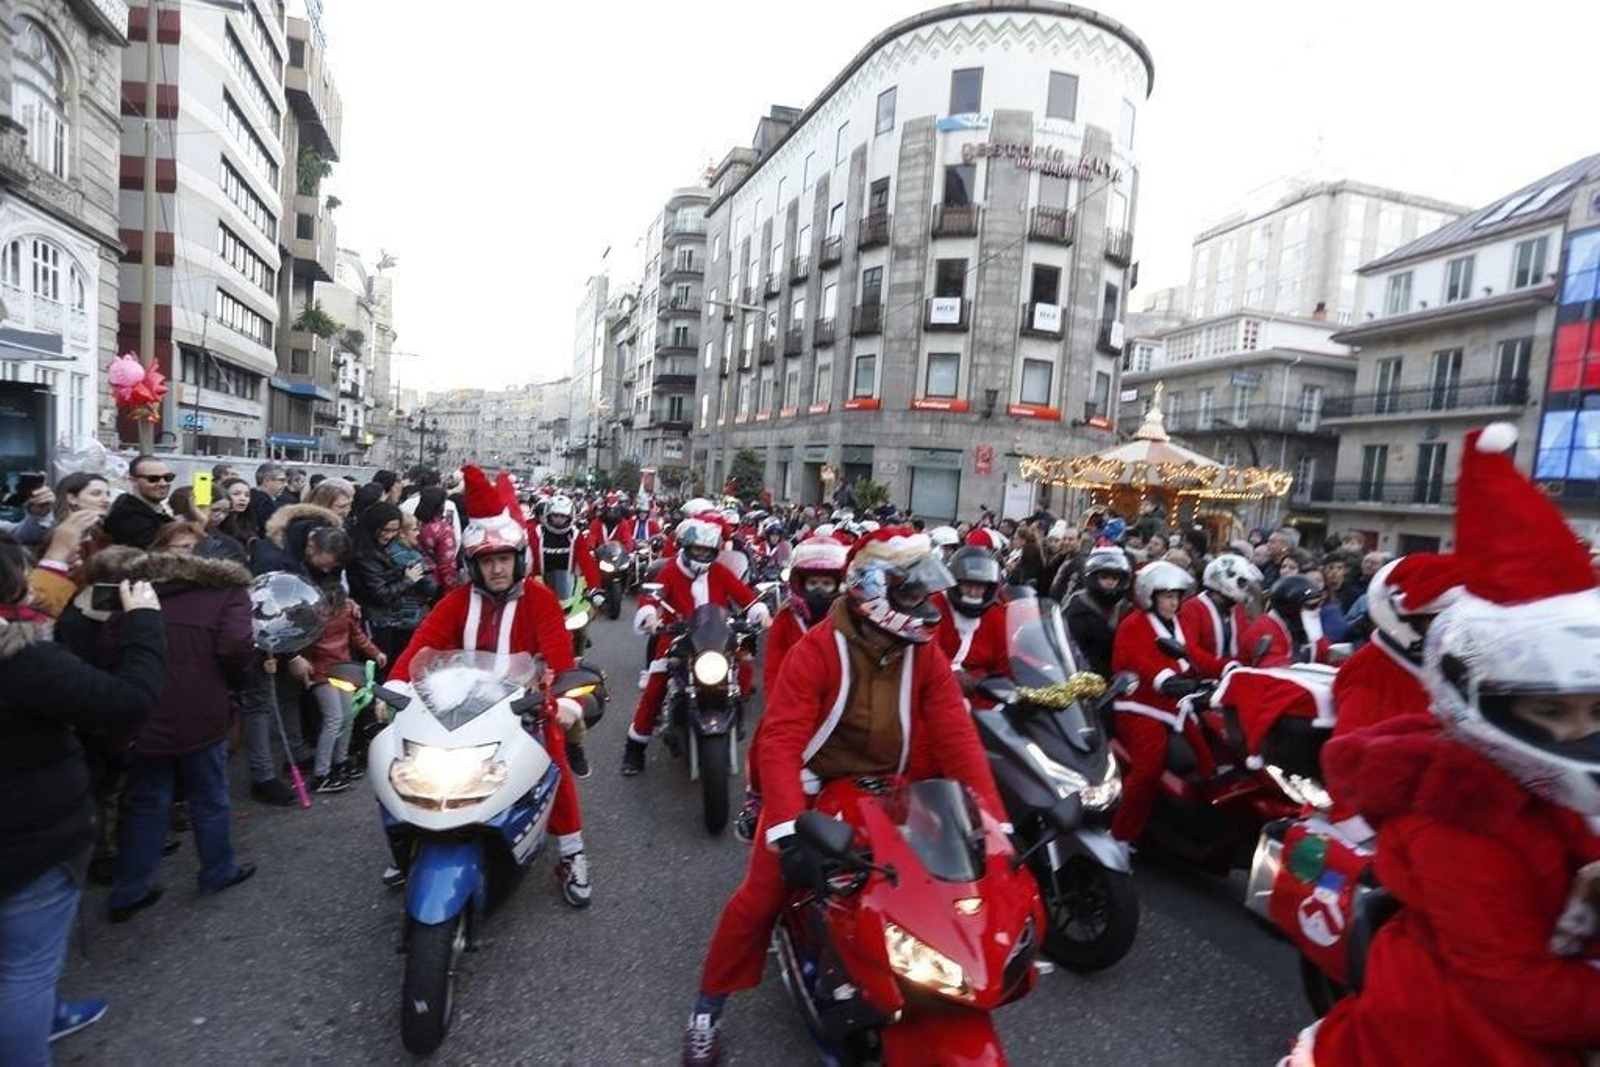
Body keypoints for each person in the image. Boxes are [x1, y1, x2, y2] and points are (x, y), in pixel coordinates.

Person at [1292, 423, 1600, 1064]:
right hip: (1453, 1036)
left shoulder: (1542, 775)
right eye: (1549, 710)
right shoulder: (1455, 810)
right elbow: (1520, 988)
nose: (1576, 731)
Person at [682, 529, 1005, 1065]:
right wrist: (786, 827)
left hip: (896, 786)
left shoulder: (923, 653)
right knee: (759, 898)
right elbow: (782, 738)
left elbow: (955, 733)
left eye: (925, 594)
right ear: (872, 588)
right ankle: (706, 1009)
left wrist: (994, 822)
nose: (925, 607)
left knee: (934, 888)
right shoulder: (816, 649)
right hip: (813, 786)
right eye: (911, 595)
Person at [386, 467, 592, 906]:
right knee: (402, 759)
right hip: (457, 704)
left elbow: (559, 656)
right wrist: (397, 687)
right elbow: (422, 644)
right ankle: (409, 839)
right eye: (486, 560)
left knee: (551, 764)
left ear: (518, 559)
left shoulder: (540, 601)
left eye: (503, 559)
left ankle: (572, 851)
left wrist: (561, 699)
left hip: (524, 706)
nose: (496, 569)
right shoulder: (456, 600)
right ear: (472, 564)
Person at [0, 535, 165, 1061]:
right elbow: (126, 699)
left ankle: (41, 1012)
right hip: (29, 838)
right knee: (24, 968)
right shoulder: (21, 658)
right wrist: (142, 621)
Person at [77, 550, 258, 922]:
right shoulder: (228, 592)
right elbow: (236, 647)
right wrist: (233, 684)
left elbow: (108, 650)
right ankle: (217, 870)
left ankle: (129, 889)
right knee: (209, 796)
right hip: (201, 707)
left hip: (144, 710)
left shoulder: (136, 592)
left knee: (147, 801)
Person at [623, 516, 768, 775]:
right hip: (677, 639)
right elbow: (651, 597)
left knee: (741, 671)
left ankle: (734, 720)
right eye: (697, 549)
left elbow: (745, 596)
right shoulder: (670, 570)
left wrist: (758, 612)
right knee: (655, 686)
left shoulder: (720, 572)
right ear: (686, 548)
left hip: (717, 637)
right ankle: (635, 749)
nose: (702, 554)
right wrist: (650, 616)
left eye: (707, 550)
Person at [732, 533, 848, 844]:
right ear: (800, 583)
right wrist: (777, 705)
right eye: (813, 584)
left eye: (827, 584)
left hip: (840, 702)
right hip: (793, 701)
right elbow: (773, 667)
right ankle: (755, 799)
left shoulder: (850, 622)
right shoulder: (786, 619)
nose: (820, 591)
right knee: (763, 742)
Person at [1109, 560, 1231, 844]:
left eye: (1177, 596)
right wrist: (1166, 680)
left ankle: (1193, 830)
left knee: (1209, 764)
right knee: (1148, 769)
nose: (1174, 602)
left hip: (1174, 705)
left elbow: (1193, 656)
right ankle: (1120, 838)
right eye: (1167, 596)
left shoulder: (1177, 624)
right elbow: (1138, 661)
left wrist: (1227, 668)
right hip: (1138, 705)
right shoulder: (1134, 624)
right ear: (1150, 595)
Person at [242, 503, 349, 805]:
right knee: (260, 702)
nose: (327, 571)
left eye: (331, 567)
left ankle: (297, 750)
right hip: (261, 634)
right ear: (311, 544)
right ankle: (262, 776)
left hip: (296, 634)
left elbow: (324, 586)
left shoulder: (324, 546)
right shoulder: (272, 556)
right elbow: (264, 609)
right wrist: (290, 656)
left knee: (289, 694)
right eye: (323, 564)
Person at [1329, 554, 1463, 740]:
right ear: (1405, 619)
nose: (1457, 628)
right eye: (1440, 619)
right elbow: (1353, 757)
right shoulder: (1368, 674)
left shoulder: (1445, 663)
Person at [297, 562, 385, 793]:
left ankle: (340, 762)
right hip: (323, 674)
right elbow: (356, 637)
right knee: (336, 718)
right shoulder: (320, 618)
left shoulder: (339, 613)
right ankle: (322, 773)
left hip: (338, 671)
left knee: (346, 717)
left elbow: (357, 636)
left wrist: (376, 653)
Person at [346, 503, 428, 663]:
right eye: (385, 530)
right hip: (374, 621)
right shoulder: (364, 554)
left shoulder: (380, 548)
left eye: (394, 531)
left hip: (386, 619)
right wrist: (408, 580)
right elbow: (380, 594)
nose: (389, 535)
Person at [935, 545, 1011, 687]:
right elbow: (928, 655)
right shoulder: (936, 604)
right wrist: (954, 675)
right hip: (939, 683)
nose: (973, 591)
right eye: (968, 584)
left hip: (982, 691)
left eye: (980, 586)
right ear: (955, 582)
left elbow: (1006, 661)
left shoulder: (996, 613)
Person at [1180, 553, 1262, 661]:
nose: (1246, 589)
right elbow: (1190, 649)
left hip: (1232, 673)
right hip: (1203, 675)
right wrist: (1223, 667)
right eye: (1242, 583)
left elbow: (1247, 644)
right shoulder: (1193, 607)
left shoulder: (1238, 608)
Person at [1064, 547, 1132, 677]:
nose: (1110, 581)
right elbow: (1066, 643)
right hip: (1080, 676)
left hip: (1117, 679)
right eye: (1104, 576)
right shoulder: (1077, 604)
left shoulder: (1126, 609)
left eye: (1115, 577)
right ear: (1093, 577)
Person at [1241, 574, 1331, 668]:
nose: (1318, 610)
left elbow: (1327, 654)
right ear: (1291, 609)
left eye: (1319, 605)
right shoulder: (1261, 630)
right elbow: (1276, 671)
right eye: (1312, 606)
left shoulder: (1305, 627)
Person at [529, 494, 601, 589]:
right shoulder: (537, 533)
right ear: (548, 515)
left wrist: (594, 588)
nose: (559, 519)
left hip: (569, 588)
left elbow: (587, 563)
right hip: (540, 586)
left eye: (563, 516)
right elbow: (529, 561)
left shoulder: (575, 535)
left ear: (570, 517)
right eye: (555, 515)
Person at [103, 456, 174, 549]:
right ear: (133, 481)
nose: (163, 483)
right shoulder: (128, 517)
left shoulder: (150, 510)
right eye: (153, 479)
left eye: (168, 477)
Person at [169, 486, 246, 564]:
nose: (221, 516)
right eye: (215, 510)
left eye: (226, 511)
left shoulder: (229, 543)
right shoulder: (170, 535)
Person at [412, 487, 459, 592]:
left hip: (414, 578)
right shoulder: (443, 529)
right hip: (434, 583)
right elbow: (447, 565)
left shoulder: (414, 523)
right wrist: (450, 591)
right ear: (440, 505)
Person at [216, 477, 258, 549]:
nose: (243, 498)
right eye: (236, 494)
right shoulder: (217, 522)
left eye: (247, 495)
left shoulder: (249, 522)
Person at [246, 462, 286, 534]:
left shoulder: (250, 496)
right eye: (282, 480)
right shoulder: (265, 504)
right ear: (267, 480)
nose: (285, 484)